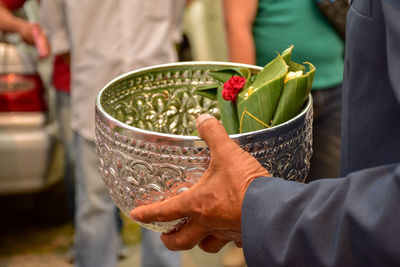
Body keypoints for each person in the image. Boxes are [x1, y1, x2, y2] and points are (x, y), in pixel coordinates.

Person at [130, 0, 400, 266]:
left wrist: (257, 209)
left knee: (325, 179)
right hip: (275, 106)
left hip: (335, 85)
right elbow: (237, 26)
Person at [39, 0, 185, 266]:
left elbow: (175, 16)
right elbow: (55, 21)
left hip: (156, 92)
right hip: (94, 87)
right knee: (95, 206)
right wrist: (73, 52)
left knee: (166, 207)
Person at [223, 0, 344, 181]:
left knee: (331, 186)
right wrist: (247, 96)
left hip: (336, 85)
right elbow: (237, 25)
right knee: (279, 184)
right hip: (274, 97)